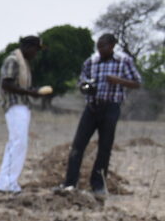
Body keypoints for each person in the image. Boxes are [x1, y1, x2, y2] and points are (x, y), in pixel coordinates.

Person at [57, 33, 142, 197]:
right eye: (98, 46)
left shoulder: (124, 61)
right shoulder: (91, 62)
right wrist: (86, 87)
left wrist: (118, 80)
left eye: (103, 46)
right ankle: (69, 183)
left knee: (105, 147)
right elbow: (82, 81)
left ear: (112, 46)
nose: (100, 49)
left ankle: (98, 185)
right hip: (92, 107)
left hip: (111, 107)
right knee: (78, 145)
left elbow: (137, 82)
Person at [0, 35, 48, 195]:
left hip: (21, 105)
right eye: (35, 50)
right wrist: (29, 92)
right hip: (15, 105)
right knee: (18, 143)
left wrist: (32, 91)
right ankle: (8, 183)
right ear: (28, 47)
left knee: (16, 143)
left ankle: (5, 182)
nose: (35, 54)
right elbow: (6, 84)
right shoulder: (13, 60)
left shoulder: (22, 62)